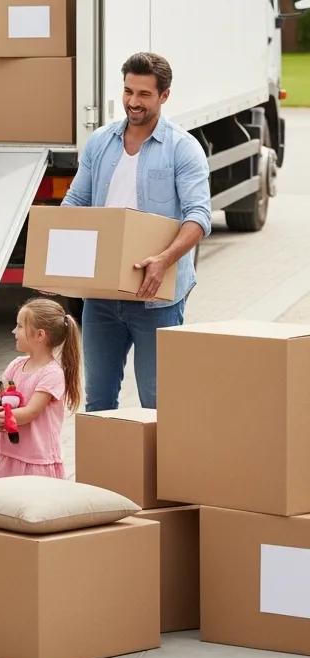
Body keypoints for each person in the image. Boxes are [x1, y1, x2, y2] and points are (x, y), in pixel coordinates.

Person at [62, 51, 211, 410]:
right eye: (128, 91)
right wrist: (58, 262)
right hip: (101, 296)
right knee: (98, 401)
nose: (133, 102)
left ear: (164, 96)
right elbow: (75, 203)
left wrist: (163, 259)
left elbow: (199, 217)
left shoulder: (182, 149)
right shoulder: (100, 142)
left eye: (144, 94)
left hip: (156, 296)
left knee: (157, 403)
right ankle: (108, 467)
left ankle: (160, 469)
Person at [0, 298, 81, 478]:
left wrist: (1, 417)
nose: (14, 331)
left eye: (19, 326)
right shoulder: (16, 365)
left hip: (36, 461)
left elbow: (30, 412)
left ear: (40, 335)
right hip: (7, 454)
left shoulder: (52, 374)